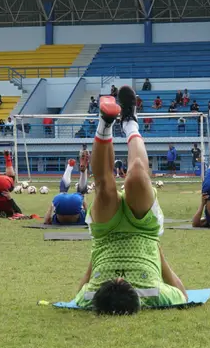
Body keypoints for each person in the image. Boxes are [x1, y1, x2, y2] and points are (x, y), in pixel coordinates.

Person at [72, 87, 187, 314]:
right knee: (136, 175)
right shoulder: (154, 294)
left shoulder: (89, 297)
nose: (118, 279)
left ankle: (105, 124)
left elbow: (78, 293)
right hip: (143, 230)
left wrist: (96, 253)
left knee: (104, 188)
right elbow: (183, 295)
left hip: (106, 234)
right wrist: (161, 258)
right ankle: (130, 123)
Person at [43, 157, 89, 225]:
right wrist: (53, 203)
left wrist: (52, 205)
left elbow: (46, 221)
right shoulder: (82, 219)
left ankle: (72, 167)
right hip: (61, 200)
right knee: (65, 192)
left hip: (69, 201)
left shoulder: (55, 221)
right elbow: (47, 220)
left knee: (80, 194)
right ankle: (80, 170)